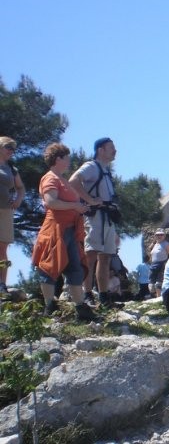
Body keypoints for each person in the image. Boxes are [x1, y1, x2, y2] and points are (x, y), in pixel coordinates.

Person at [31, 143, 97, 321]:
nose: (69, 160)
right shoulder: (50, 178)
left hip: (70, 230)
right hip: (55, 229)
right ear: (58, 158)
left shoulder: (62, 179)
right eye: (66, 157)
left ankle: (80, 307)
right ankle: (49, 305)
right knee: (49, 266)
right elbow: (51, 202)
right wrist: (76, 206)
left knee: (75, 267)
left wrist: (79, 208)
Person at [69, 137, 120, 308]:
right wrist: (90, 200)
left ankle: (104, 296)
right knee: (91, 256)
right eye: (111, 148)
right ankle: (87, 293)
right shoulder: (91, 166)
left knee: (105, 258)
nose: (115, 151)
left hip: (106, 217)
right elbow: (74, 181)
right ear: (101, 150)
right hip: (95, 217)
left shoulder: (105, 170)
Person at [0, 137, 25, 295]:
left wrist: (18, 200)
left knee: (2, 248)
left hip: (6, 211)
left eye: (13, 149)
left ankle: (2, 284)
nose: (11, 151)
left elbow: (20, 188)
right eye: (8, 147)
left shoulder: (11, 168)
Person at [148, 228, 169, 297]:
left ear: (164, 236)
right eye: (157, 235)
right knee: (151, 285)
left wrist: (167, 264)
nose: (159, 236)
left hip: (162, 265)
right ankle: (155, 297)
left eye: (161, 235)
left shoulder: (166, 244)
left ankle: (159, 298)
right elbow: (150, 252)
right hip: (153, 265)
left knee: (159, 283)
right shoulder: (154, 245)